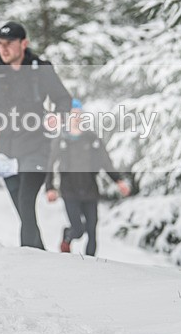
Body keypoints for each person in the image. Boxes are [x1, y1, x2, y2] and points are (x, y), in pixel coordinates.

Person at [0, 22, 71, 249]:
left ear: (24, 44)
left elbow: (63, 98)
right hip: (5, 147)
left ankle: (28, 258)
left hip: (37, 144)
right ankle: (40, 254)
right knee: (23, 211)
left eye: (9, 44)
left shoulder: (40, 69)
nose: (4, 49)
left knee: (26, 200)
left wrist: (58, 116)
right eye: (0, 44)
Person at [45, 98, 131, 256]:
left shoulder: (91, 138)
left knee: (92, 229)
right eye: (72, 114)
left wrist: (118, 181)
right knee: (78, 229)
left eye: (79, 114)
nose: (76, 118)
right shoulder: (61, 140)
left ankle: (91, 264)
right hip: (69, 190)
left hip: (90, 189)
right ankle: (68, 236)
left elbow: (105, 161)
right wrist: (50, 188)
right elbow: (50, 165)